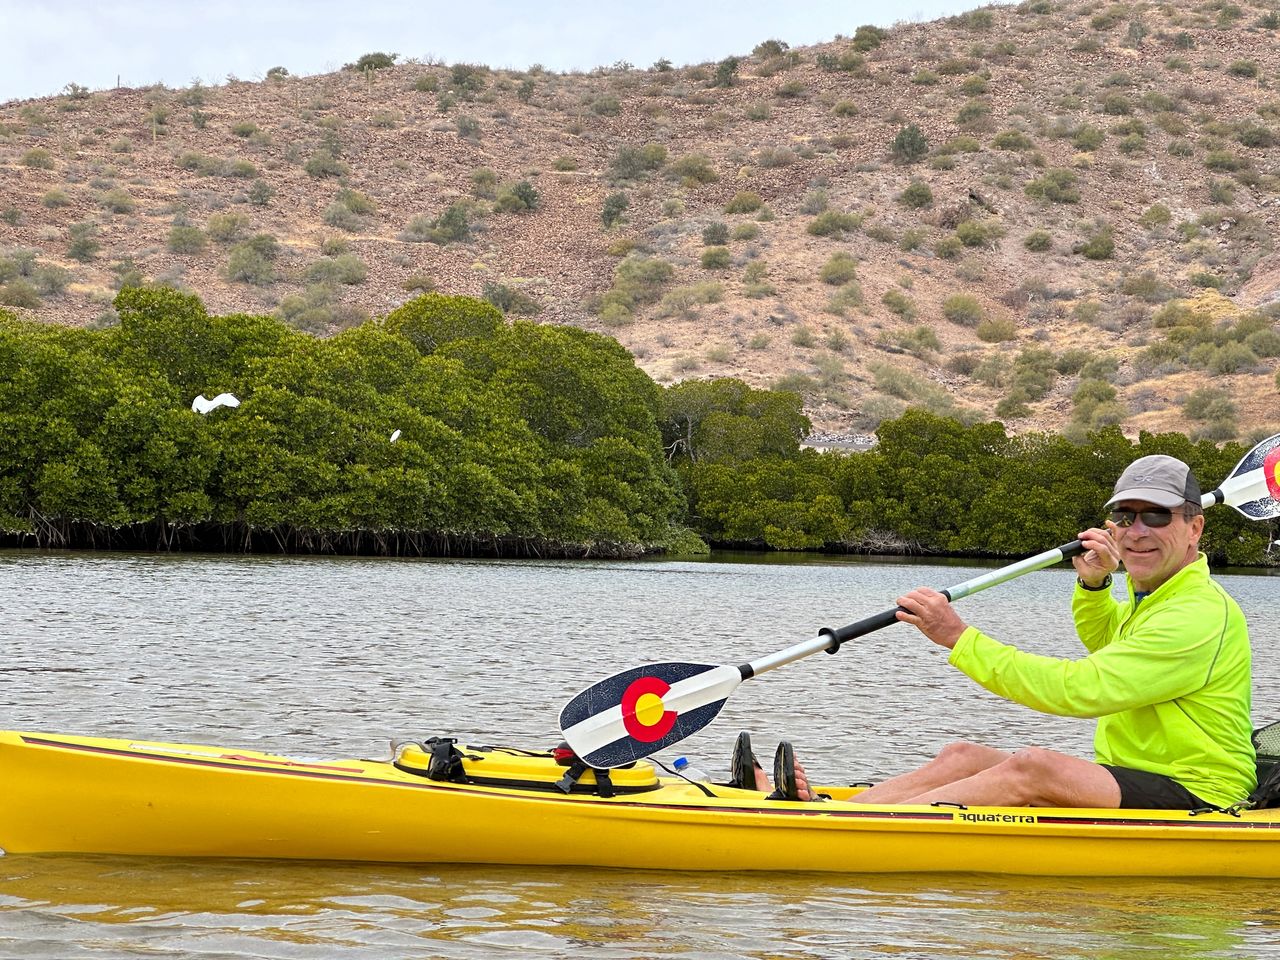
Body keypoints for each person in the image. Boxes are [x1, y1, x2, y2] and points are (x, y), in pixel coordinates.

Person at [760, 454, 1256, 809]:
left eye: (1156, 515)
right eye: (1125, 516)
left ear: (1195, 529)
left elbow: (1081, 690)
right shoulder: (1157, 596)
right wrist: (1095, 585)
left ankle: (846, 824)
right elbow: (1112, 648)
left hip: (1199, 790)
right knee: (963, 756)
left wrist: (959, 638)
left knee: (1035, 766)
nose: (1137, 530)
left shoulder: (1196, 613)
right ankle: (835, 807)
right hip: (1134, 774)